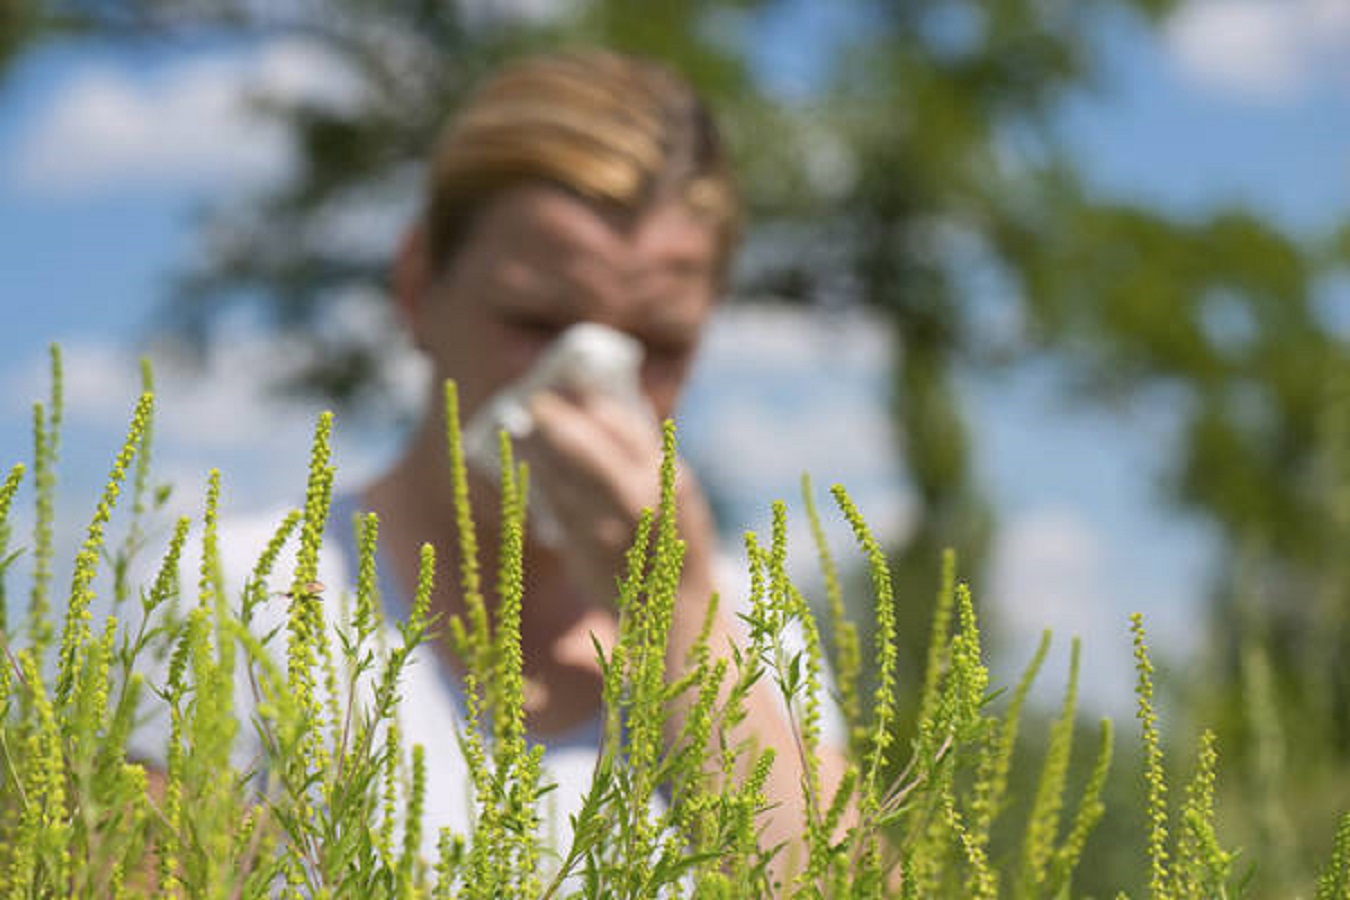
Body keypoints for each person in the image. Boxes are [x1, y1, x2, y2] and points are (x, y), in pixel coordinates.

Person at [138, 48, 847, 889]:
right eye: (538, 321)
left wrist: (678, 618)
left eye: (658, 343)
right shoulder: (237, 593)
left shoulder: (751, 622)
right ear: (417, 288)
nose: (592, 385)